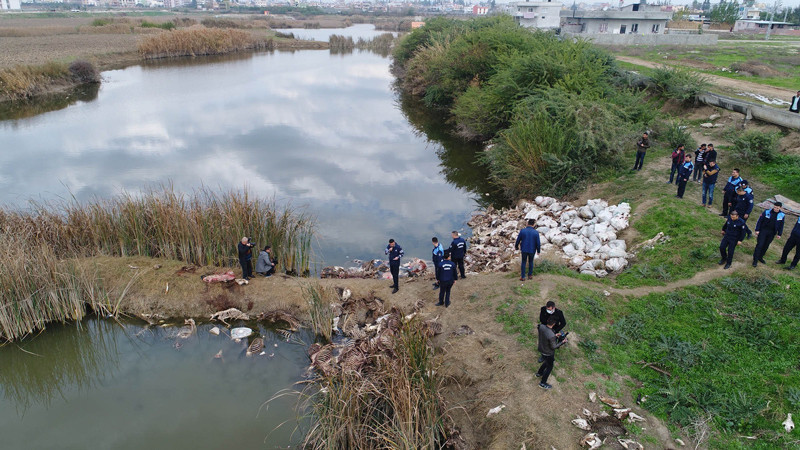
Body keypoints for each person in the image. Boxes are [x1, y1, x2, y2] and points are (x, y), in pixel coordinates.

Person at [536, 316, 568, 390]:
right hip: (548, 352)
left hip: (541, 348)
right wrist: (562, 342)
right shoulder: (551, 335)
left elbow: (546, 334)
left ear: (547, 320)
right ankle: (542, 383)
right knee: (549, 367)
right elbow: (554, 347)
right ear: (554, 324)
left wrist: (555, 335)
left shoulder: (541, 326)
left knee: (547, 362)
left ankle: (539, 373)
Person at [753, 202, 785, 267]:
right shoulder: (767, 212)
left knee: (766, 245)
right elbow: (760, 221)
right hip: (763, 230)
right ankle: (755, 260)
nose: (775, 209)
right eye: (775, 207)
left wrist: (779, 234)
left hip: (772, 232)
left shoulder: (782, 215)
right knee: (760, 245)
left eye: (777, 208)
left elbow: (781, 225)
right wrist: (757, 229)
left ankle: (760, 257)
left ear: (780, 208)